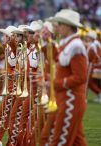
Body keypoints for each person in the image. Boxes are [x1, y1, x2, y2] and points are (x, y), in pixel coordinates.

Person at [41, 9, 88, 146]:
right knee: (77, 141)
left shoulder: (76, 46)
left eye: (60, 24)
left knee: (58, 141)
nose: (57, 27)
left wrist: (55, 83)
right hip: (65, 99)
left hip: (70, 100)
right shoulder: (68, 43)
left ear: (68, 26)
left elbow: (81, 77)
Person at [85, 30, 101, 103]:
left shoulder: (93, 45)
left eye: (88, 37)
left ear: (92, 38)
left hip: (93, 66)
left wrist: (95, 65)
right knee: (93, 82)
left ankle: (99, 94)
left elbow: (96, 57)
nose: (86, 38)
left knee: (89, 81)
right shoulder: (94, 44)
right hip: (95, 65)